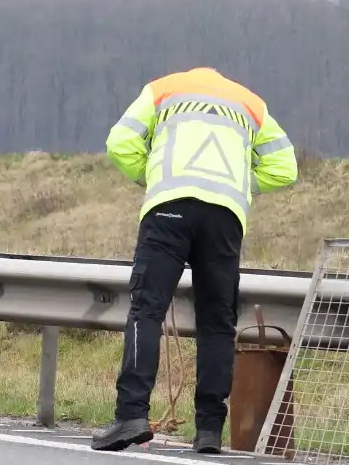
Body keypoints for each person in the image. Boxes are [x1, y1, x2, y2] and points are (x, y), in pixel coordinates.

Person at [91, 67, 298, 454]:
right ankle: (208, 431)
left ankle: (131, 415)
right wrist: (239, 183)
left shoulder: (161, 91)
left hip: (168, 208)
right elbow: (285, 168)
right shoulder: (251, 104)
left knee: (147, 310)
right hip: (224, 215)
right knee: (217, 322)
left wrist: (150, 175)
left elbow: (120, 143)